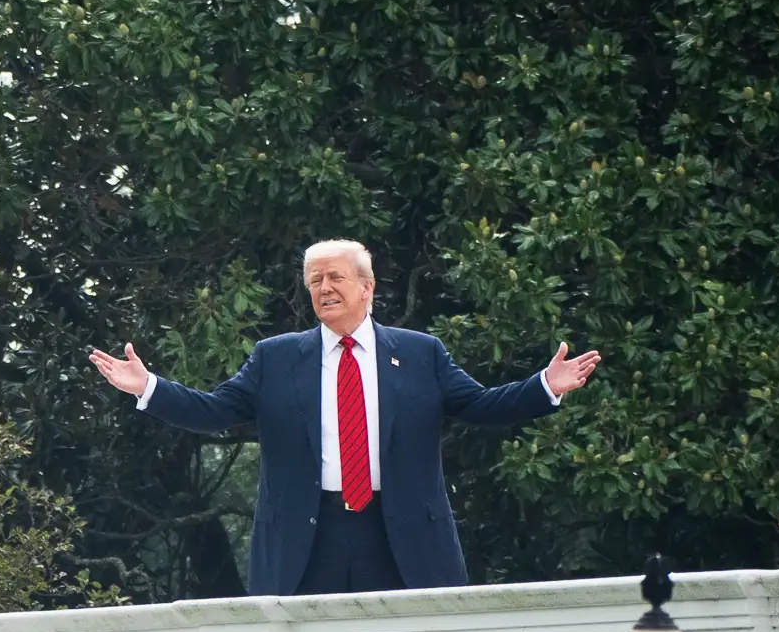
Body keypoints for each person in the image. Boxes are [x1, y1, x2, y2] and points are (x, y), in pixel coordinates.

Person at [87, 238, 601, 597]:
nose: (324, 287)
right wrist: (148, 388)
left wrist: (544, 387)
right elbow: (215, 411)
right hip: (309, 534)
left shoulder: (421, 354)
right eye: (314, 281)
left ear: (367, 286)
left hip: (397, 529)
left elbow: (482, 406)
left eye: (335, 277)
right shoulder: (277, 357)